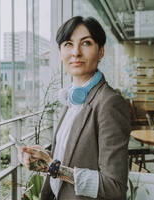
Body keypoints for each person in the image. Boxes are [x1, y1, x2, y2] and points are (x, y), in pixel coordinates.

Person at [17, 16, 131, 200]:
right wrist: (45, 157)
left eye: (86, 43)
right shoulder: (72, 98)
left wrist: (53, 168)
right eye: (68, 44)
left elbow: (115, 188)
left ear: (101, 51)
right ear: (60, 52)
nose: (76, 52)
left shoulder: (109, 103)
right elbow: (76, 154)